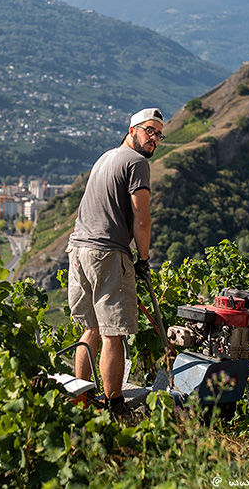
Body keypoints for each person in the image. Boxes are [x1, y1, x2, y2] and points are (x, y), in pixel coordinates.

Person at [67, 107, 165, 416]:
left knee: (90, 329)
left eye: (159, 135)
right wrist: (144, 258)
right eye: (149, 131)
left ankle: (79, 400)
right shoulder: (136, 163)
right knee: (113, 333)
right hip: (107, 254)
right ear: (132, 128)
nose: (154, 139)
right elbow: (142, 218)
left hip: (78, 250)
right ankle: (114, 404)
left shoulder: (105, 158)